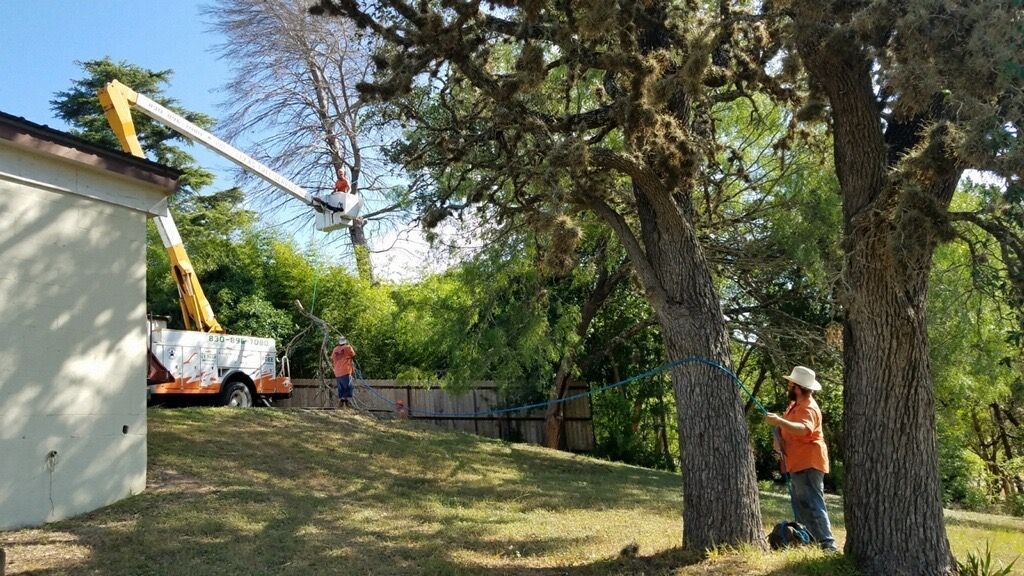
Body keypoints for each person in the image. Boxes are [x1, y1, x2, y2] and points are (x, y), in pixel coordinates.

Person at [763, 365, 837, 552]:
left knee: (813, 505)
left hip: (809, 463)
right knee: (802, 507)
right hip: (797, 464)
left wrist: (779, 421)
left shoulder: (808, 407)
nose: (788, 386)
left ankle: (828, 545)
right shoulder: (794, 405)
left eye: (790, 384)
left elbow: (804, 429)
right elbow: (787, 431)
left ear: (798, 387)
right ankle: (811, 543)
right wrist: (778, 438)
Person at [331, 336, 356, 408]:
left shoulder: (335, 349)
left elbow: (332, 358)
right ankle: (344, 402)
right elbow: (353, 355)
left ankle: (343, 402)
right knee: (348, 387)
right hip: (346, 370)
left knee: (341, 388)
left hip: (338, 372)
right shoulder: (348, 347)